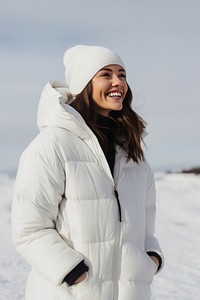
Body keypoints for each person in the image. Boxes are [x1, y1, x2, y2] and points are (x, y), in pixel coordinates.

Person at [11, 45, 164, 300]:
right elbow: (29, 227)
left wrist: (151, 257)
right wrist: (72, 272)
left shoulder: (133, 152)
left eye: (122, 74)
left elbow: (145, 228)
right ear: (84, 84)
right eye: (106, 74)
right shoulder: (54, 144)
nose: (118, 82)